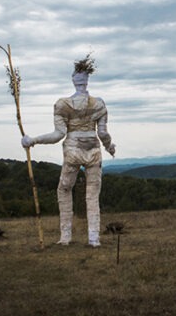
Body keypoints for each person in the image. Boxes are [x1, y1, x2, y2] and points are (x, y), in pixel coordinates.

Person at [21, 54, 115, 247]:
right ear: (86, 81)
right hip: (94, 150)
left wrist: (33, 140)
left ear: (74, 81)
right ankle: (93, 238)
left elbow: (58, 134)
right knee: (92, 194)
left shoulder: (63, 105)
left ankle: (66, 237)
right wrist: (110, 147)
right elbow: (103, 133)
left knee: (64, 190)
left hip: (72, 150)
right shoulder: (99, 104)